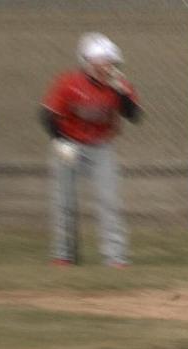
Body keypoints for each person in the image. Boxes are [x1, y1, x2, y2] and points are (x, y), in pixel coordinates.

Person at [40, 32, 141, 267]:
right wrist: (60, 141)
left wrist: (122, 93)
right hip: (69, 142)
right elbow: (47, 116)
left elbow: (134, 116)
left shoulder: (119, 85)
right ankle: (64, 255)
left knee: (109, 200)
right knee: (64, 201)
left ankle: (115, 257)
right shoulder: (68, 83)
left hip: (101, 146)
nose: (107, 67)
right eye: (102, 62)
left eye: (110, 62)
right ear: (87, 63)